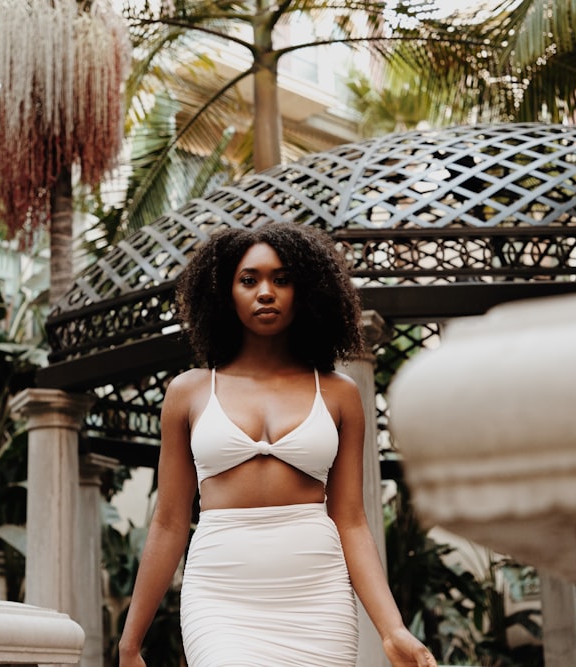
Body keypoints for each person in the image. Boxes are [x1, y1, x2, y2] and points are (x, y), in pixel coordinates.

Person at [118, 222, 437, 667]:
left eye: (281, 279)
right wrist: (130, 641)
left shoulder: (339, 393)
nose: (265, 291)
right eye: (249, 280)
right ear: (225, 294)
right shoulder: (188, 392)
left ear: (305, 291)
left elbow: (351, 520)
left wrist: (392, 628)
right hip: (221, 596)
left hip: (317, 595)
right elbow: (169, 522)